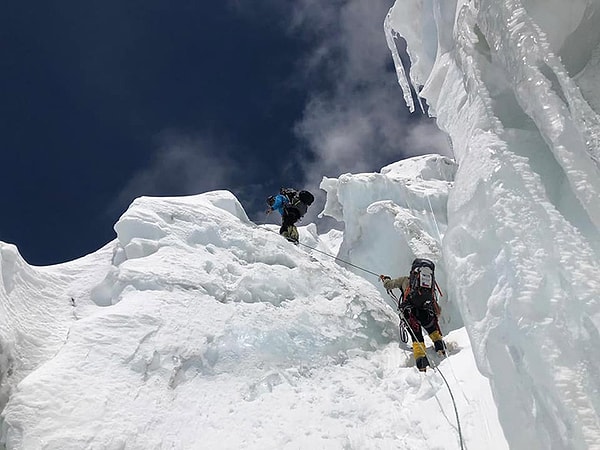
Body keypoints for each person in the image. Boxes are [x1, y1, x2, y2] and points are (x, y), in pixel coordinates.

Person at [379, 263, 445, 372]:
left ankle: (422, 364)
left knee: (417, 337)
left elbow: (388, 285)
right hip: (425, 311)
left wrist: (385, 279)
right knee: (432, 330)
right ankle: (441, 349)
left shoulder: (404, 280)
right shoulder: (427, 284)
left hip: (410, 313)